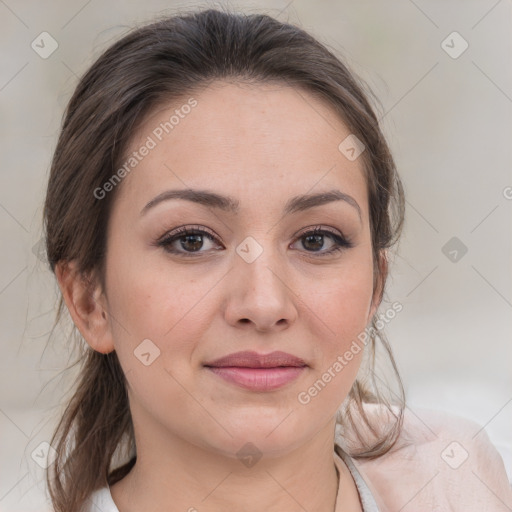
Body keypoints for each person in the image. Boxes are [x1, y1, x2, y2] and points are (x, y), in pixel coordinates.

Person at [42, 7, 512, 512]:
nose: (264, 304)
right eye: (192, 241)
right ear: (91, 300)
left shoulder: (457, 483)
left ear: (376, 287)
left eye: (316, 241)